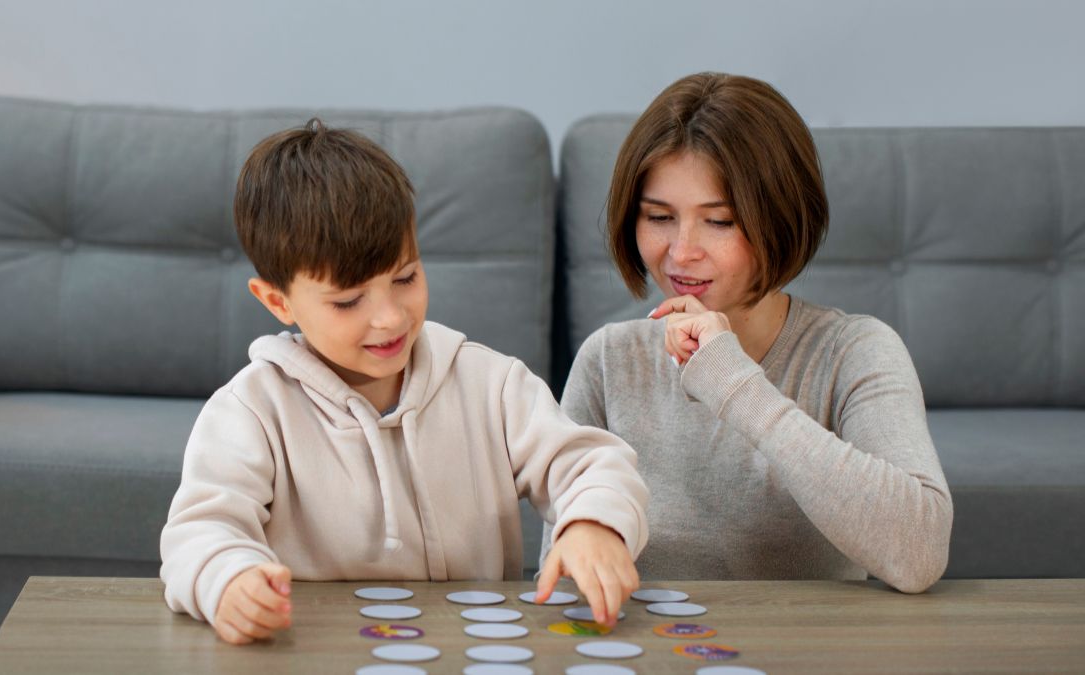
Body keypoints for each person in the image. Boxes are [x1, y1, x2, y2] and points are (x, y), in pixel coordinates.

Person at [160, 120, 648, 645]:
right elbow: (200, 531)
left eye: (405, 278)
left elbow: (591, 463)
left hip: (477, 646)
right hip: (322, 651)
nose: (390, 318)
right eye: (349, 301)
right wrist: (227, 579)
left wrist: (593, 524)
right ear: (278, 302)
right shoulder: (251, 411)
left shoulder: (491, 384)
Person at [546, 72, 952, 593]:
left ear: (780, 217)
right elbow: (564, 579)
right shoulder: (609, 360)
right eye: (659, 217)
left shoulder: (855, 352)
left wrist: (731, 379)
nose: (681, 251)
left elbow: (918, 553)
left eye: (719, 222)